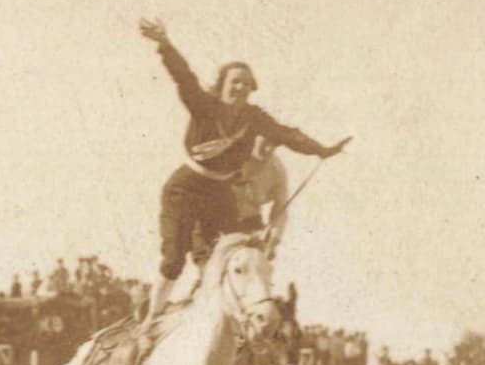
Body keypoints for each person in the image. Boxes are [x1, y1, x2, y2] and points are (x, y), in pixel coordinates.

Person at [139, 18, 347, 324]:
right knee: (174, 260)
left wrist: (322, 150)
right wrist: (164, 44)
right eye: (234, 81)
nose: (240, 87)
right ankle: (149, 323)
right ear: (222, 85)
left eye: (246, 83)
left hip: (220, 193)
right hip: (185, 188)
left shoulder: (253, 117)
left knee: (234, 255)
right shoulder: (204, 106)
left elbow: (287, 135)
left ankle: (224, 318)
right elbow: (184, 77)